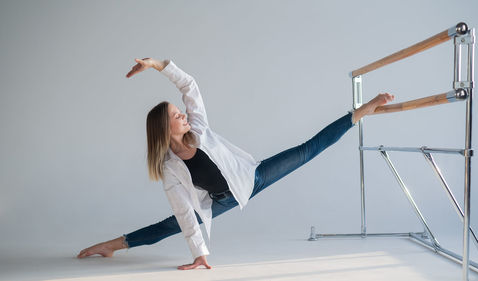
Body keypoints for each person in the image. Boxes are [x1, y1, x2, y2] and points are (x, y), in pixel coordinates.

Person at [77, 57, 395, 270]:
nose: (183, 115)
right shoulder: (170, 168)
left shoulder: (197, 129)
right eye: (177, 116)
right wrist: (200, 256)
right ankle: (112, 245)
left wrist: (158, 64)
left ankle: (363, 110)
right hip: (223, 200)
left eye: (180, 112)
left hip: (252, 176)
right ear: (165, 130)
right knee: (172, 223)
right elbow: (186, 213)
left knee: (308, 149)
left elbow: (189, 86)